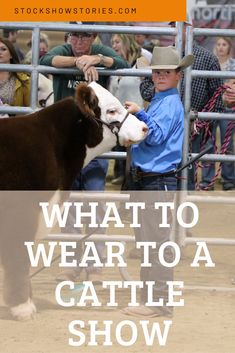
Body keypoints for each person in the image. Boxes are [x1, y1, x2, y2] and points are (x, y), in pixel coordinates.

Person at [40, 22, 129, 283]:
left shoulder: (101, 51)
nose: (79, 40)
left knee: (95, 203)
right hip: (67, 144)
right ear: (69, 36)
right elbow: (46, 58)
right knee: (67, 205)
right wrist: (78, 62)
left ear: (93, 37)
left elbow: (122, 63)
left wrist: (97, 59)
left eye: (85, 35)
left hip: (94, 143)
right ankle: (71, 262)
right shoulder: (64, 49)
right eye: (75, 34)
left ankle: (95, 265)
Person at [120, 46, 194, 318]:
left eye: (167, 72)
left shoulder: (169, 103)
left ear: (177, 76)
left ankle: (158, 301)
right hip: (149, 182)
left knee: (156, 244)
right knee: (149, 243)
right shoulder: (164, 100)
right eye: (157, 72)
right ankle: (152, 300)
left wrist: (140, 113)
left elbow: (156, 136)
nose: (161, 76)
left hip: (156, 182)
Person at [139, 20, 224, 190]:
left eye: (181, 26)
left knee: (186, 169)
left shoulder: (208, 58)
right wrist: (163, 92)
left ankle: (183, 206)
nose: (176, 30)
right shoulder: (164, 56)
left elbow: (216, 96)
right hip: (163, 120)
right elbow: (145, 88)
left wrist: (202, 122)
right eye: (173, 26)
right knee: (164, 164)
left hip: (193, 124)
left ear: (190, 28)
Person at [109, 33, 149, 185]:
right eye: (113, 42)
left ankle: (133, 181)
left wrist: (144, 113)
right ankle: (122, 176)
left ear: (126, 42)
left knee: (135, 155)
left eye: (117, 41)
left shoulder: (141, 61)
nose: (114, 45)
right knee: (120, 151)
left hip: (136, 116)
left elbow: (149, 88)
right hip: (119, 118)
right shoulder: (115, 64)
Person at [200, 37, 235, 190]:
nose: (221, 47)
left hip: (228, 106)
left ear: (229, 47)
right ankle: (208, 181)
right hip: (212, 106)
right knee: (208, 143)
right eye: (218, 44)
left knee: (228, 144)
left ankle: (229, 179)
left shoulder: (233, 64)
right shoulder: (211, 62)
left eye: (224, 44)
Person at [0, 37, 30, 109]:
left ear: (11, 55)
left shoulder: (24, 80)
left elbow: (29, 109)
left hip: (14, 119)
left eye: (3, 49)